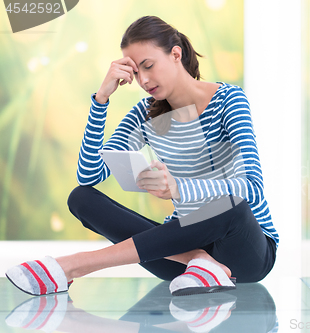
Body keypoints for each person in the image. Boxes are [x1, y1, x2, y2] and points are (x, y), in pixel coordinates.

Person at [5, 16, 278, 296]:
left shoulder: (228, 100)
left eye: (148, 66)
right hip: (177, 255)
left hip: (244, 251)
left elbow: (252, 186)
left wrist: (178, 189)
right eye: (136, 73)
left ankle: (71, 266)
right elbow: (89, 175)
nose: (144, 80)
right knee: (81, 198)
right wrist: (101, 100)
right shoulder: (145, 114)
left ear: (175, 54)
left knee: (232, 208)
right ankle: (199, 261)